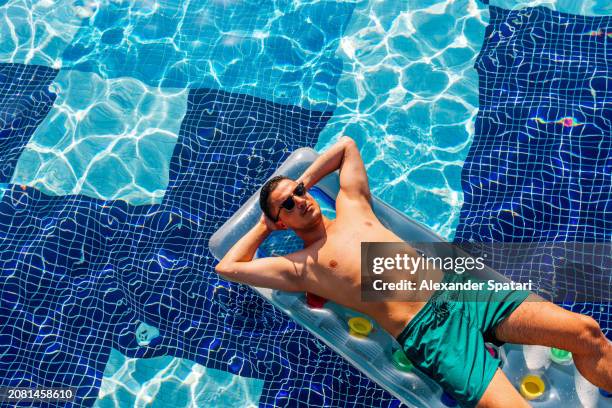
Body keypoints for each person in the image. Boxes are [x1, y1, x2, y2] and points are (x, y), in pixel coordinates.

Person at [215, 136, 612, 407]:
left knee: (587, 332)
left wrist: (300, 181)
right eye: (288, 205)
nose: (300, 201)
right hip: (432, 335)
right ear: (280, 223)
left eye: (300, 193)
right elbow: (229, 266)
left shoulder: (353, 206)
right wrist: (265, 225)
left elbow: (346, 147)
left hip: (463, 289)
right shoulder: (301, 266)